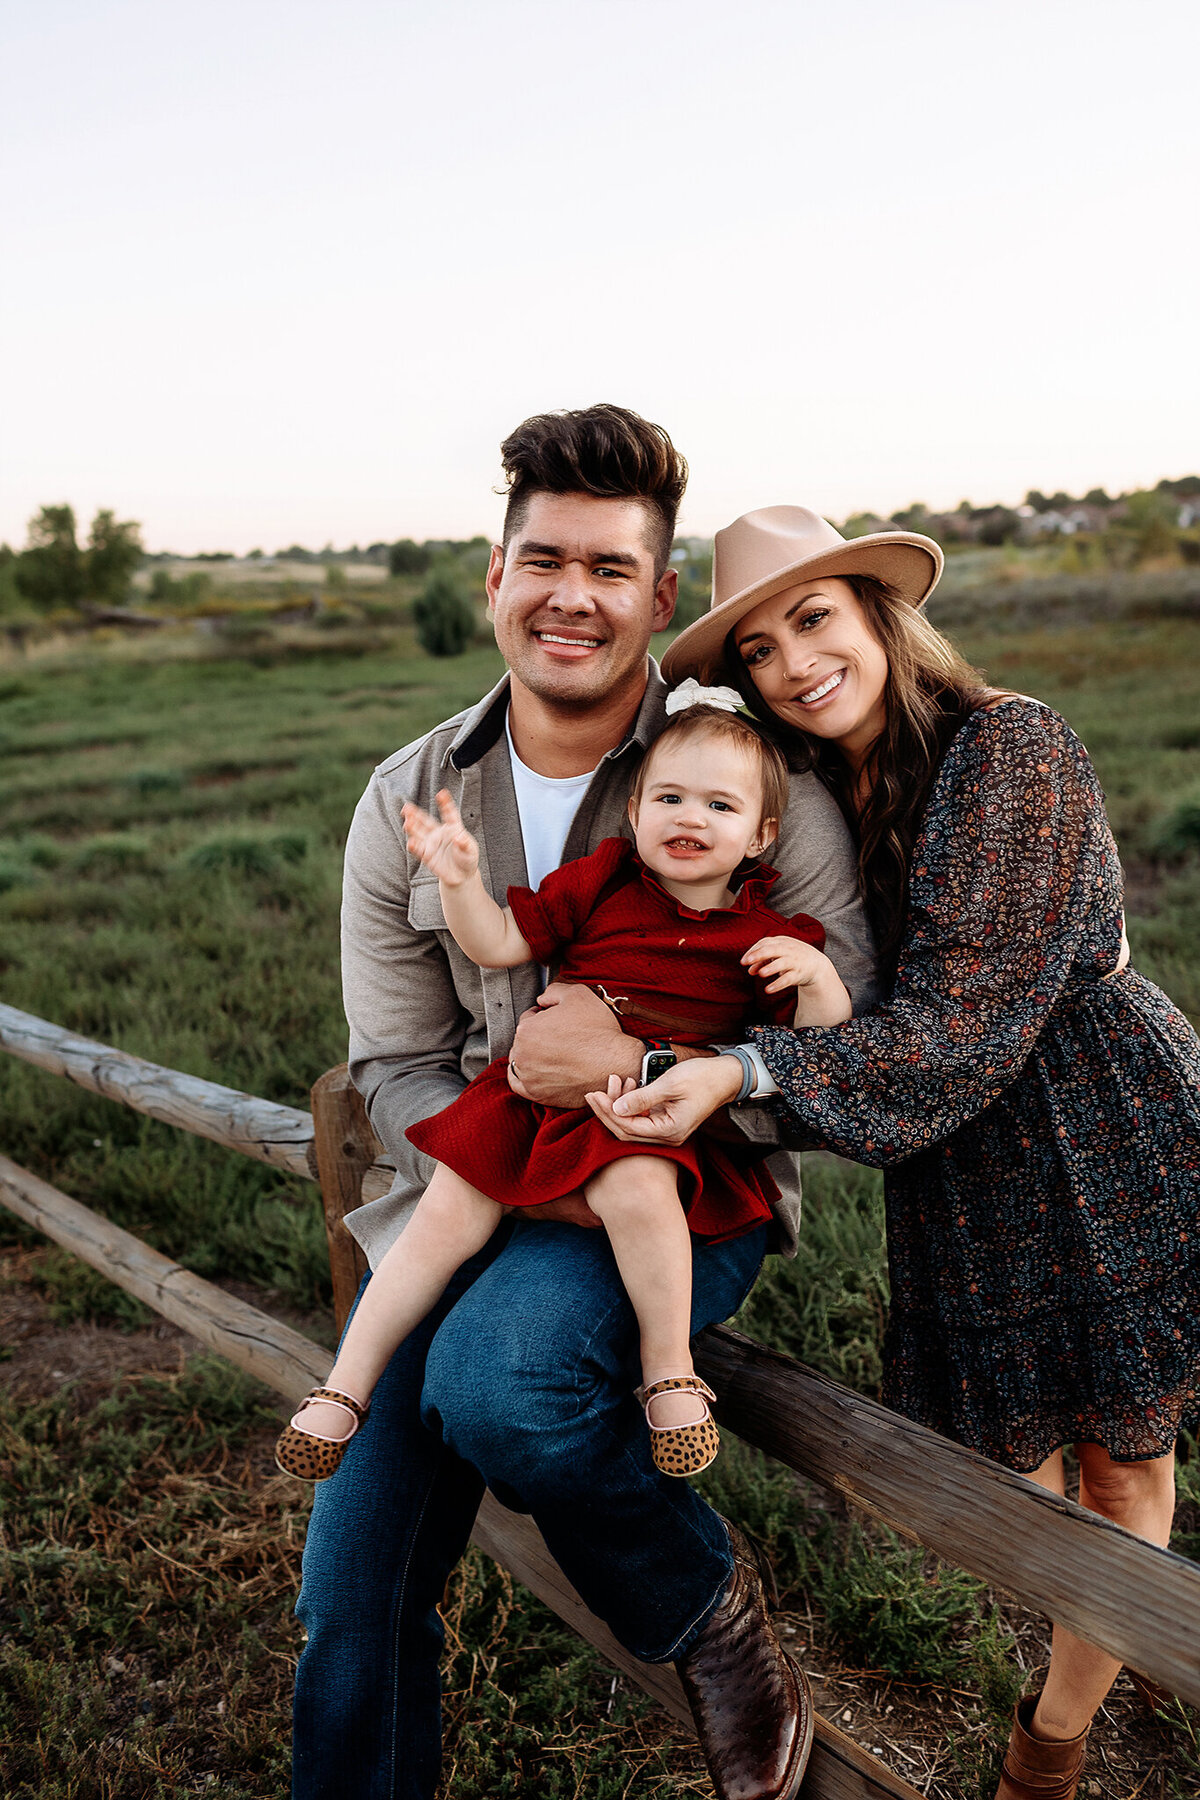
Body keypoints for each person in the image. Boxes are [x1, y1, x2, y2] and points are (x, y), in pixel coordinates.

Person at [292, 416, 880, 1800]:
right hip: (470, 1188)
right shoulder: (406, 802)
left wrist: (695, 1087)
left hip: (671, 1192)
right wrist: (519, 1147)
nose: (572, 595)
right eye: (542, 559)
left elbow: (849, 1031)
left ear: (661, 597)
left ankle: (704, 1614)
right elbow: (392, 1061)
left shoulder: (741, 783)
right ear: (494, 573)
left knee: (507, 1386)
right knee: (347, 1608)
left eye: (611, 568)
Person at [590, 504, 1200, 1800]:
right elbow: (813, 992)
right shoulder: (812, 802)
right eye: (757, 646)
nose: (794, 660)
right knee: (1026, 1478)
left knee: (1128, 1457)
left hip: (1097, 1128)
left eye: (814, 617)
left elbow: (967, 1017)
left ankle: (1052, 1737)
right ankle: (1106, 1634)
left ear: (878, 613)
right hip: (963, 1168)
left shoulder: (1011, 744)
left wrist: (750, 1068)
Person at [276, 699, 851, 1485]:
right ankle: (344, 1386)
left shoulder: (763, 937)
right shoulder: (605, 879)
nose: (690, 818)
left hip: (643, 1122)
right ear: (638, 810)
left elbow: (822, 1049)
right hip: (529, 1103)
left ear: (760, 836)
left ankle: (668, 1371)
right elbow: (503, 942)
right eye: (669, 799)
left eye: (720, 806)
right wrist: (459, 882)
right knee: (443, 1212)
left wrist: (817, 978)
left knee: (642, 1188)